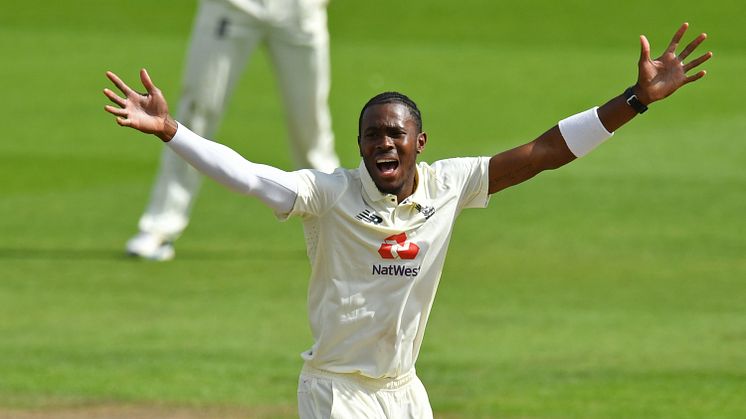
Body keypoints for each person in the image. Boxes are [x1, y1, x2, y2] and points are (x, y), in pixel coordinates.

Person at [103, 23, 711, 418]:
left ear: (420, 141)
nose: (383, 146)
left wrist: (633, 102)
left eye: (395, 135)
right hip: (336, 391)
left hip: (404, 391)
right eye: (372, 137)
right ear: (360, 145)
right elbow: (248, 175)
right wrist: (172, 131)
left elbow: (545, 152)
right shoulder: (329, 194)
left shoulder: (451, 185)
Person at [126, 0, 340, 261]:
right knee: (197, 111)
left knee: (310, 119)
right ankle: (160, 225)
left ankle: (340, 222)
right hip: (232, 6)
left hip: (297, 8)